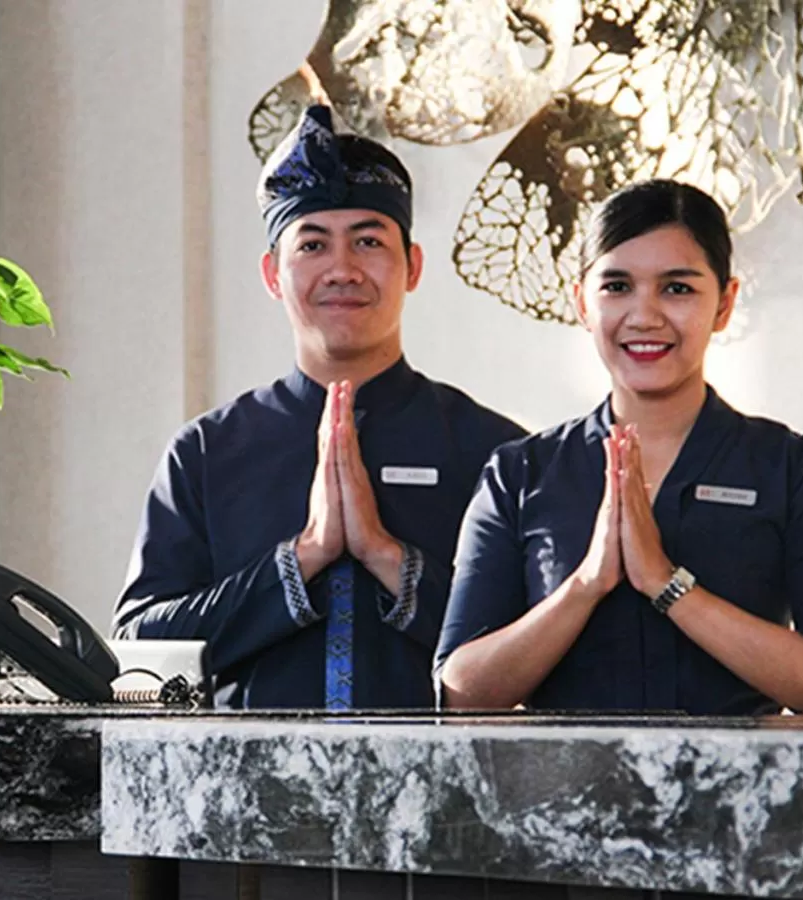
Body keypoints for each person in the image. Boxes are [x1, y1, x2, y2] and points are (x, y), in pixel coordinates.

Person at [112, 105, 526, 710]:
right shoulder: (206, 451)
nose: (342, 269)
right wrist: (303, 556)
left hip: (445, 794)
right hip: (242, 792)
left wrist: (388, 559)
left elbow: (538, 647)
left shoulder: (497, 452)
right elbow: (138, 661)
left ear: (411, 266)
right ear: (273, 275)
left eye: (368, 241)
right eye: (312, 244)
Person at [436, 179, 803, 715]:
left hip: (744, 795)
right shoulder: (520, 473)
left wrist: (666, 584)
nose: (644, 316)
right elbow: (460, 693)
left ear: (725, 303)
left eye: (678, 288)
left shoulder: (796, 467)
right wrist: (588, 583)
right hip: (561, 797)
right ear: (581, 302)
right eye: (617, 287)